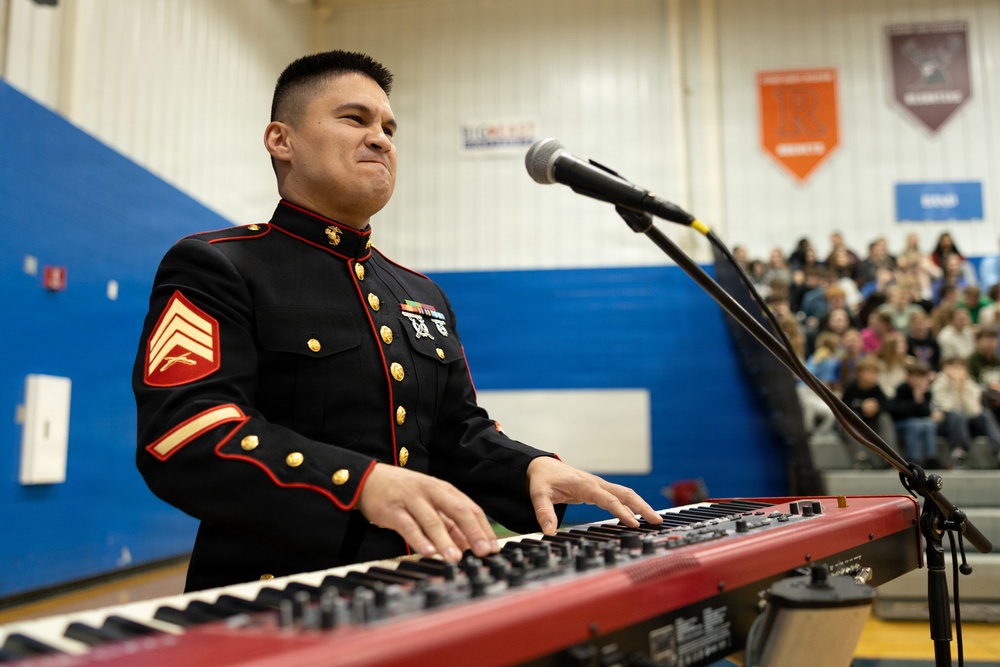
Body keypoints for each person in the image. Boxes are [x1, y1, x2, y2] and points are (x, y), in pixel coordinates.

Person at [132, 51, 662, 592]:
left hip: (413, 586)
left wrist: (529, 468)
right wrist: (358, 485)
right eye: (354, 119)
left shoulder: (420, 293)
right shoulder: (218, 266)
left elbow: (456, 431)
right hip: (268, 598)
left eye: (389, 128)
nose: (381, 139)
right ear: (281, 140)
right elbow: (185, 433)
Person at [931, 357, 1000, 467]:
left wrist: (962, 390)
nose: (957, 372)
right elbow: (947, 408)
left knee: (985, 414)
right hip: (948, 422)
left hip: (968, 421)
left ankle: (999, 450)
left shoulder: (970, 383)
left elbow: (974, 410)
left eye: (960, 368)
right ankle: (959, 453)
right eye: (954, 367)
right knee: (957, 415)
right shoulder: (939, 383)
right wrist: (954, 388)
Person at [840, 356, 898, 468]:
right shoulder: (851, 387)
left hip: (872, 422)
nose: (873, 376)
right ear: (859, 374)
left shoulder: (877, 389)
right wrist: (861, 406)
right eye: (869, 372)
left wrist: (876, 408)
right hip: (854, 423)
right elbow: (843, 407)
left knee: (885, 418)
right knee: (851, 418)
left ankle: (891, 457)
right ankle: (861, 458)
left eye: (875, 373)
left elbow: (887, 407)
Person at [888, 360, 941, 468]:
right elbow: (900, 411)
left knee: (929, 424)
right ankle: (914, 458)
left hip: (919, 422)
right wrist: (915, 401)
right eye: (915, 376)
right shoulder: (901, 389)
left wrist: (920, 398)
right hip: (901, 423)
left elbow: (926, 413)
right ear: (908, 377)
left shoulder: (926, 392)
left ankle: (931, 458)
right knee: (915, 424)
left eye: (921, 377)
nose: (918, 380)